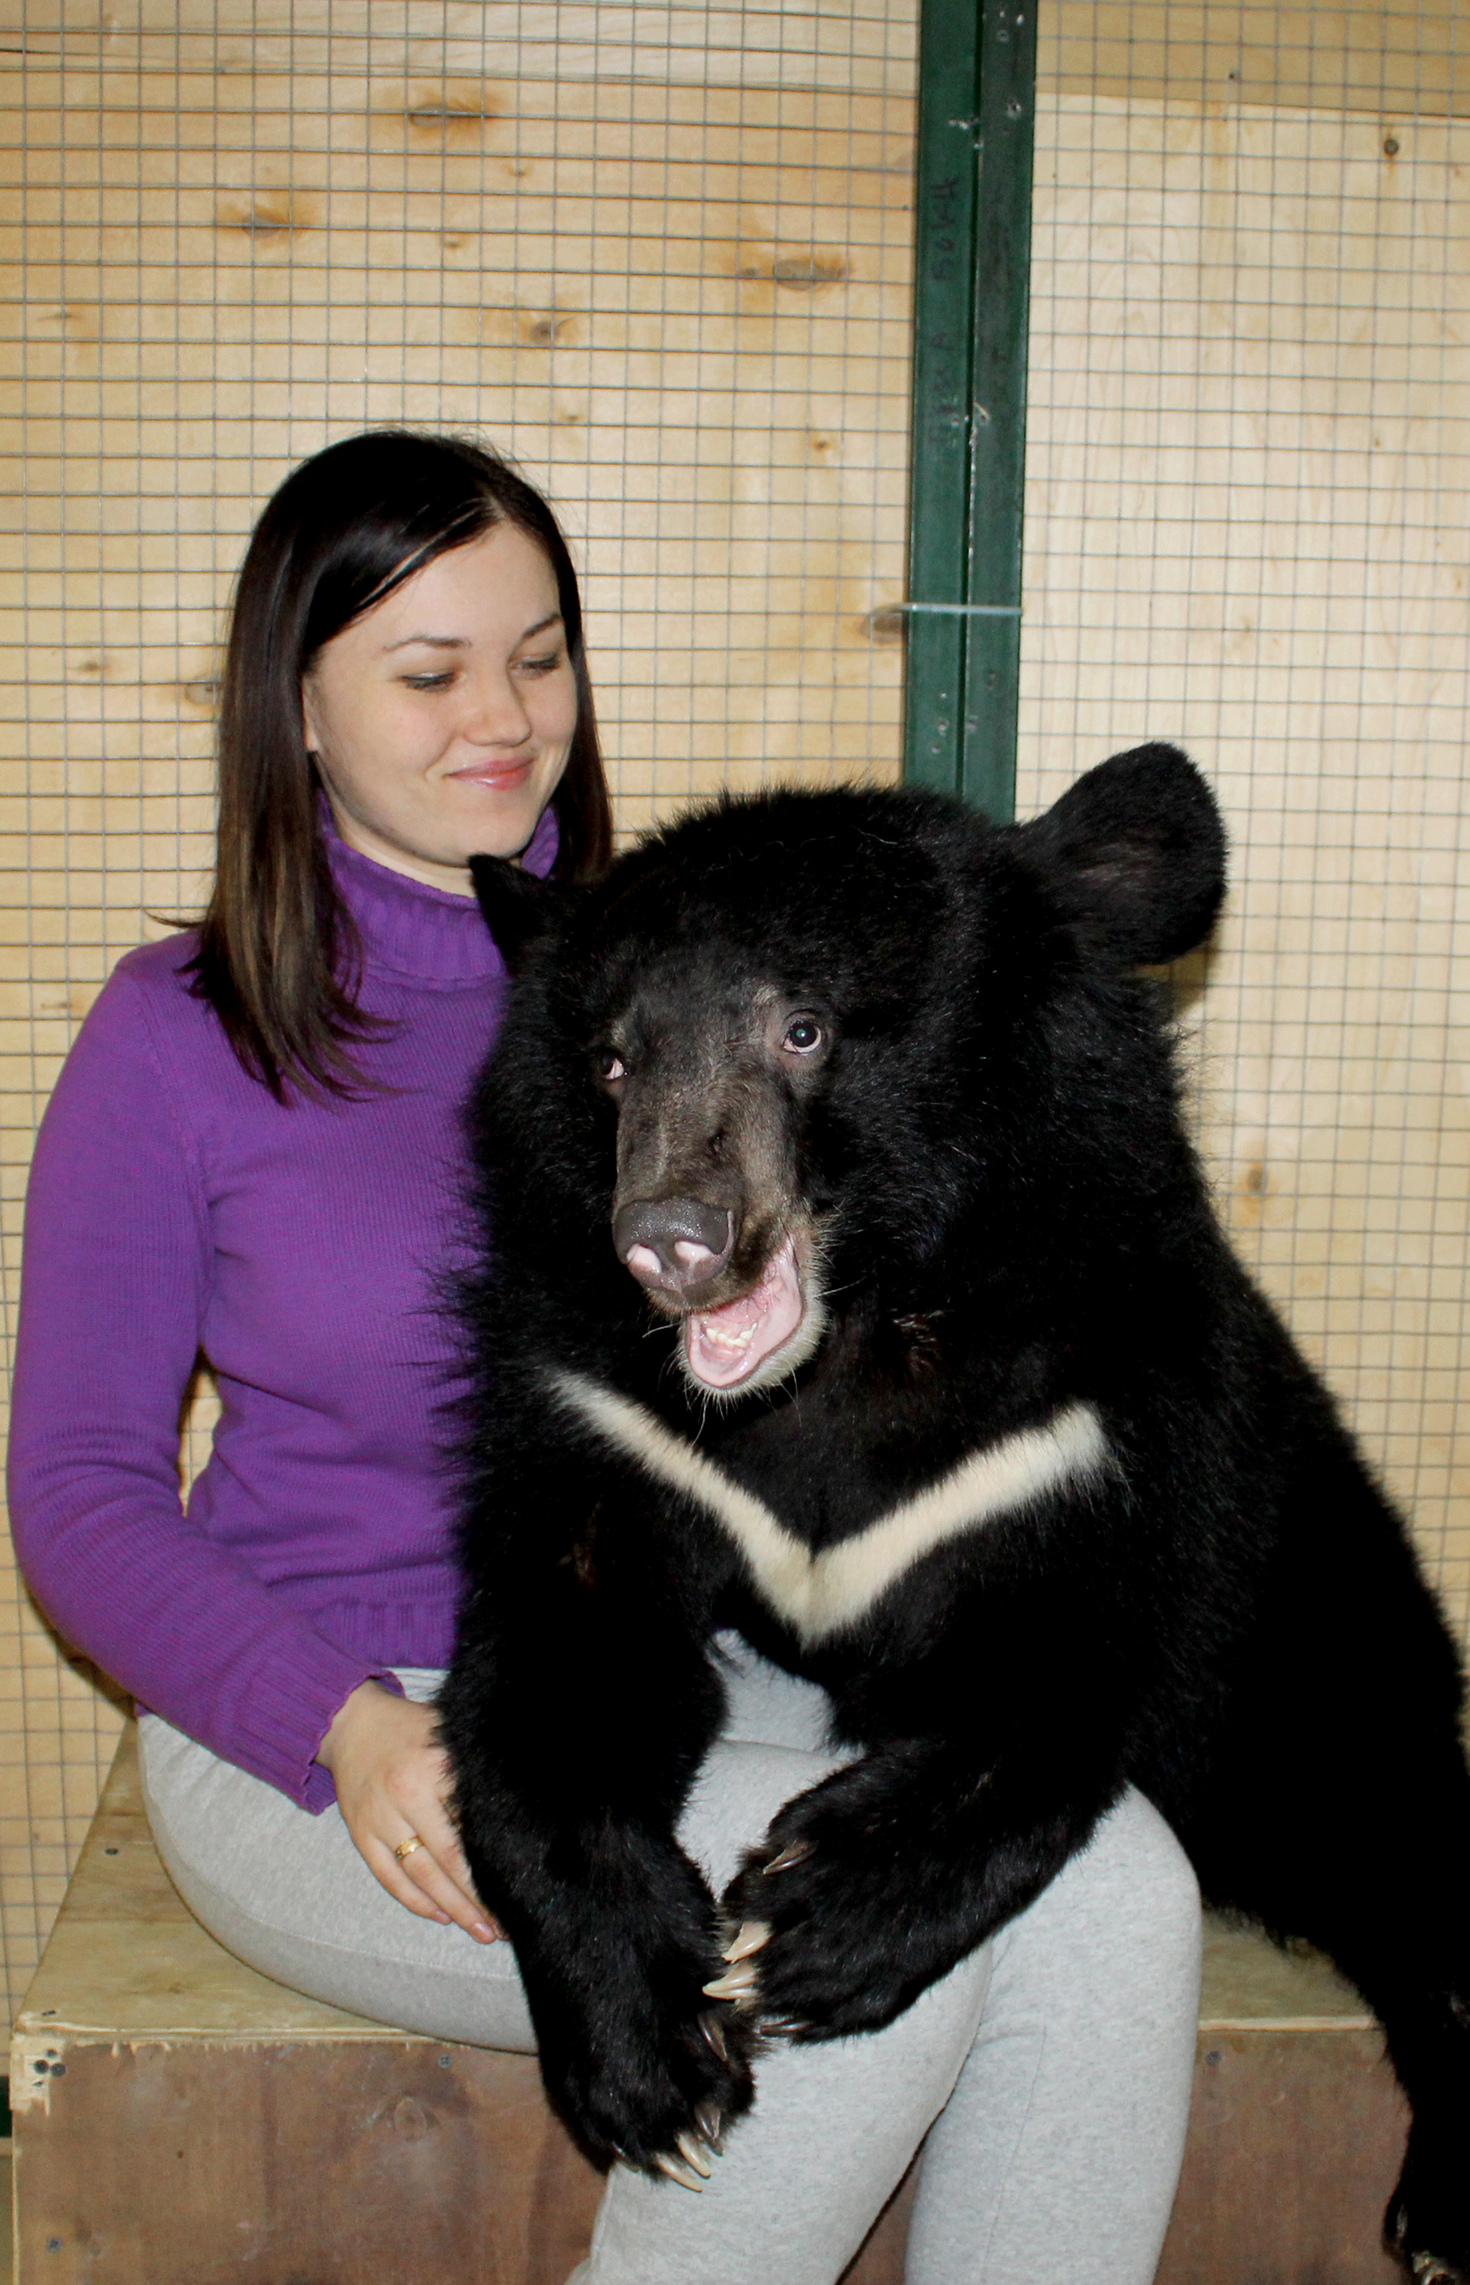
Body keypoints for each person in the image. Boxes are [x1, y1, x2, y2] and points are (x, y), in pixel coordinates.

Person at [7, 428, 1202, 2285]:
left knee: (1119, 1891)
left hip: (689, 1674)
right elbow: (76, 1493)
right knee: (837, 1976)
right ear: (296, 709)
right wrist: (340, 1724)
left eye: (541, 652)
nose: (505, 714)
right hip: (342, 1720)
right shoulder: (179, 1036)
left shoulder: (709, 964)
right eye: (428, 670)